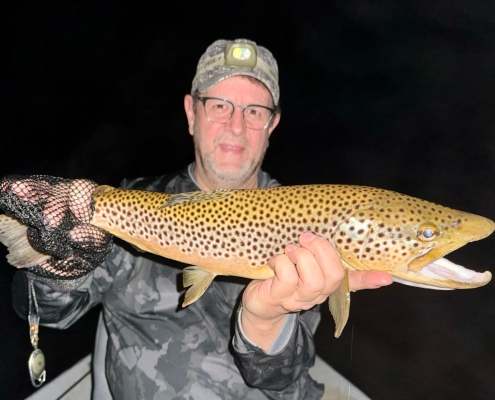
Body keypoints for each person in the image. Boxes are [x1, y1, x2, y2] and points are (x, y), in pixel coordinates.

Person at [4, 39, 392, 399]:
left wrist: (265, 323)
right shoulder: (130, 203)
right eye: (220, 105)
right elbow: (51, 313)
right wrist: (51, 260)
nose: (236, 126)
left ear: (272, 125)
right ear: (193, 113)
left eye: (254, 111)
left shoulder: (308, 221)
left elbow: (284, 377)